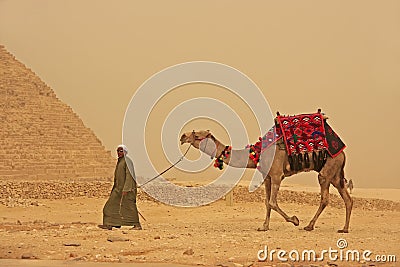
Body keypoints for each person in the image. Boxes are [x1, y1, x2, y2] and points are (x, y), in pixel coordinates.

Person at [98, 145, 142, 230]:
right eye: (118, 151)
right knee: (110, 206)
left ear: (125, 152)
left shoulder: (127, 161)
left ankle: (137, 225)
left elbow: (129, 176)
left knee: (130, 206)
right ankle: (112, 223)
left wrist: (126, 189)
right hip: (118, 189)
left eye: (121, 151)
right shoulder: (120, 161)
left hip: (127, 190)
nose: (119, 153)